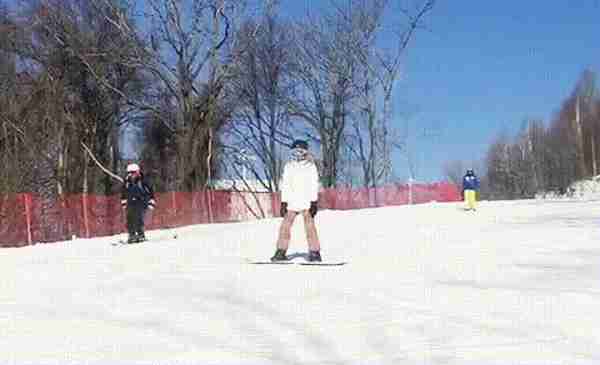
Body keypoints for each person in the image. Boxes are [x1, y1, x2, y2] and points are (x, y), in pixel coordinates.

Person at [271, 139, 322, 262]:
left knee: (309, 227)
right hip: (292, 201)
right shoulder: (289, 166)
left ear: (305, 152)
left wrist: (314, 202)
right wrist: (284, 202)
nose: (298, 153)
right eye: (296, 151)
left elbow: (314, 184)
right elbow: (286, 184)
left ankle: (314, 252)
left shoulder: (310, 166)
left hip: (306, 200)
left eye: (301, 151)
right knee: (285, 227)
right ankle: (280, 251)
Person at [120, 163, 156, 243]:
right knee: (129, 218)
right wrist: (124, 203)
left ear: (137, 172)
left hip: (141, 201)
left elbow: (150, 191)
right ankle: (132, 235)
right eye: (128, 172)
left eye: (132, 172)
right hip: (130, 202)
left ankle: (140, 234)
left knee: (138, 217)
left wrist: (151, 202)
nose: (130, 174)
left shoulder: (143, 180)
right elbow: (123, 193)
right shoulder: (127, 182)